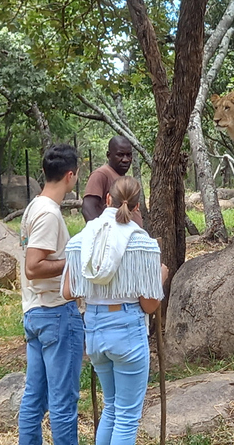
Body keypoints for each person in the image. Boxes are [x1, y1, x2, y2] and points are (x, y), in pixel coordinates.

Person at [63, 176, 167, 445]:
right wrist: (161, 278)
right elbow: (149, 304)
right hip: (127, 329)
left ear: (107, 200)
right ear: (136, 206)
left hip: (95, 329)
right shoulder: (141, 243)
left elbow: (67, 292)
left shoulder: (82, 239)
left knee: (111, 407)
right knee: (128, 416)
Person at [18, 144, 83, 445]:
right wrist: (74, 262)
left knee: (35, 395)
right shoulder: (48, 213)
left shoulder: (34, 207)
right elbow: (34, 266)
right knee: (62, 401)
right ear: (71, 176)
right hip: (55, 312)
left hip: (35, 313)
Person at [83, 136, 143, 226]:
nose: (126, 160)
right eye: (120, 155)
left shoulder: (122, 178)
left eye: (129, 155)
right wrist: (99, 232)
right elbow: (87, 207)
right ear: (109, 155)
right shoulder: (101, 174)